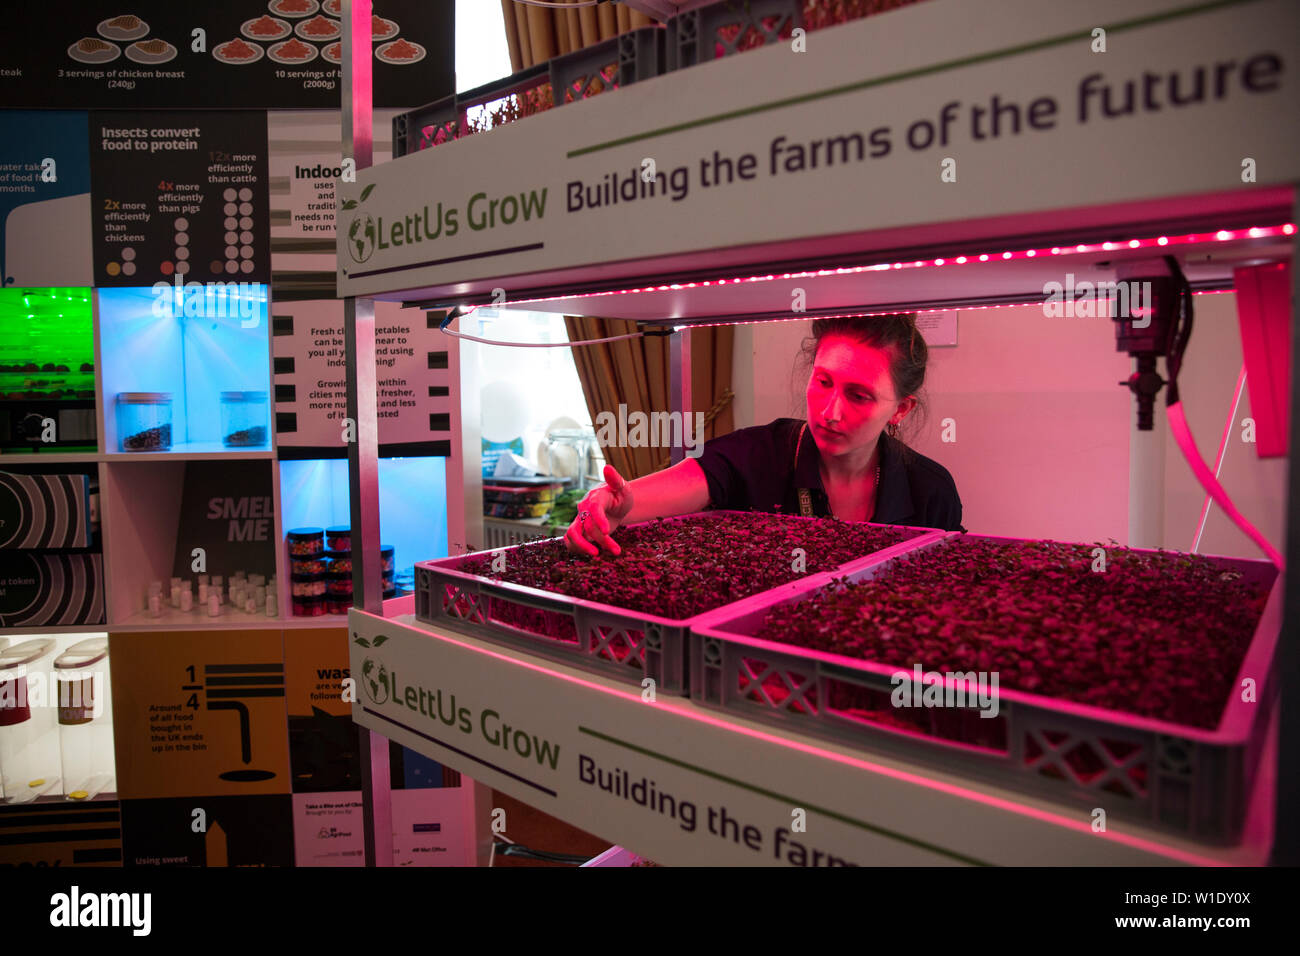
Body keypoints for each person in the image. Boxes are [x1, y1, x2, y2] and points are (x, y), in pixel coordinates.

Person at [565, 313, 964, 557]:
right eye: (823, 382)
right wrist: (609, 508)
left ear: (900, 409)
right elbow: (679, 484)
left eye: (859, 396)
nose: (830, 412)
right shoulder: (758, 455)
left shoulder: (930, 490)